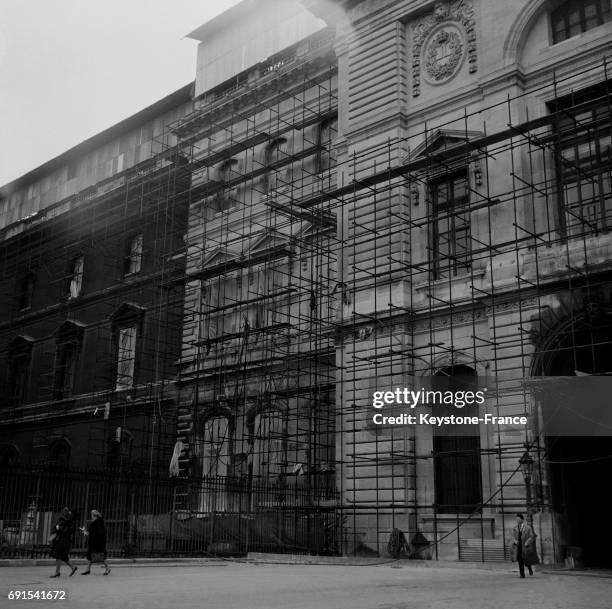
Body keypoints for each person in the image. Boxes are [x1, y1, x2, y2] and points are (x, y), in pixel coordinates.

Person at [80, 509, 110, 575]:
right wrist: (85, 531)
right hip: (93, 543)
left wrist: (90, 533)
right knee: (90, 556)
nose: (91, 517)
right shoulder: (94, 523)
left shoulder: (99, 523)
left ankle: (107, 568)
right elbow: (90, 532)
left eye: (92, 516)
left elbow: (100, 533)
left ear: (95, 516)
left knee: (102, 557)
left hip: (98, 543)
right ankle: (87, 570)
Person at [49, 507, 77, 577]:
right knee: (63, 556)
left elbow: (64, 530)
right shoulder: (70, 521)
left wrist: (58, 528)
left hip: (62, 541)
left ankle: (57, 572)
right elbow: (56, 527)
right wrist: (57, 528)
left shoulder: (66, 521)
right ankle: (73, 567)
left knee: (58, 555)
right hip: (65, 541)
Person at [511, 513, 538, 577]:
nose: (517, 520)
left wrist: (527, 542)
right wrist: (514, 541)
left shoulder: (528, 528)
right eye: (516, 519)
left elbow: (532, 536)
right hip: (518, 547)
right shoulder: (515, 528)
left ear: (522, 520)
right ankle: (522, 574)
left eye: (518, 519)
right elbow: (512, 536)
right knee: (520, 560)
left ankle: (529, 568)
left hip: (525, 547)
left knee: (526, 560)